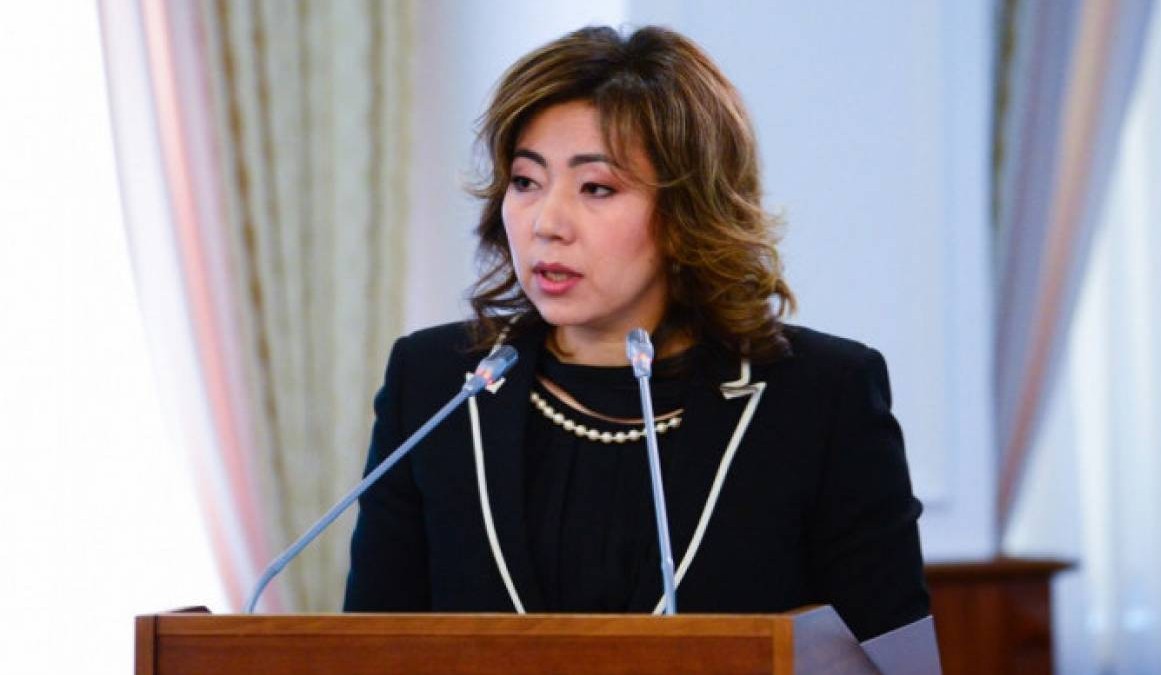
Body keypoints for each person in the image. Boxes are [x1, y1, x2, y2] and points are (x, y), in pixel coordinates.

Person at [343, 25, 929, 641]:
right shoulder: (434, 381)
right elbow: (367, 645)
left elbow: (893, 655)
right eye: (525, 181)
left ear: (687, 211)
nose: (547, 222)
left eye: (596, 188)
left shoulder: (820, 395)